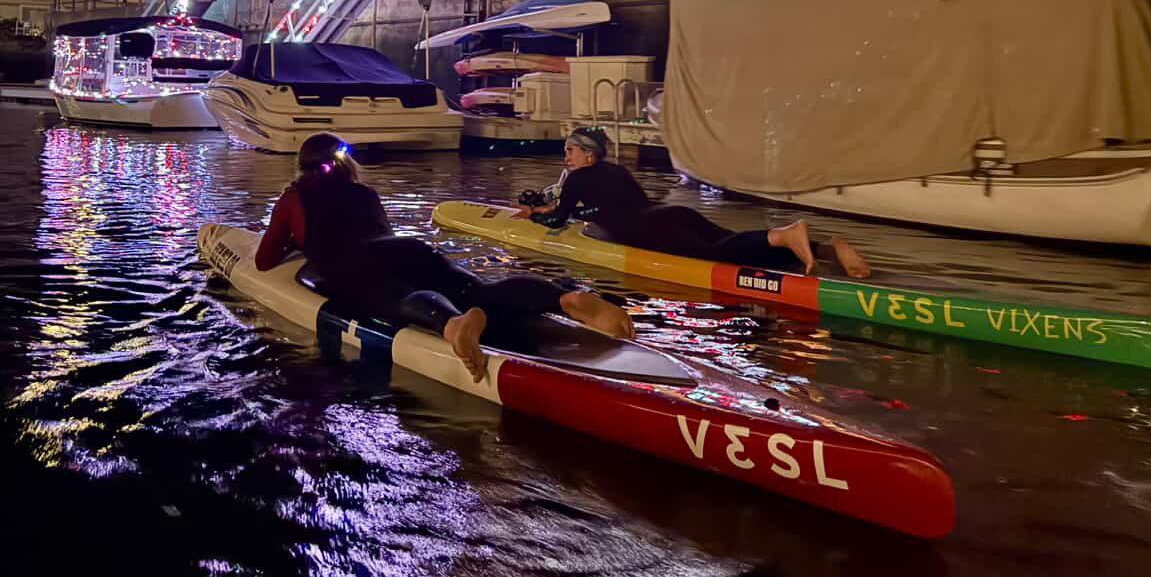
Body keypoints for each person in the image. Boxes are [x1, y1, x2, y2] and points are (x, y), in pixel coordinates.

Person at [256, 133, 634, 382]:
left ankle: (453, 325)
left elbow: (264, 258)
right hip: (408, 249)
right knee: (478, 288)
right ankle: (564, 298)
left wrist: (296, 242)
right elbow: (375, 233)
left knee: (399, 299)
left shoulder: (294, 198)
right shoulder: (365, 194)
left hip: (354, 267)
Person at [514, 128, 870, 279]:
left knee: (718, 257)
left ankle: (786, 235)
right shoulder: (616, 171)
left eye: (570, 151)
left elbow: (559, 222)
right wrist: (576, 211)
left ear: (588, 155)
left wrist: (534, 216)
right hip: (670, 215)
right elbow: (609, 207)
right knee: (733, 244)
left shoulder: (577, 179)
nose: (566, 158)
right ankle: (825, 249)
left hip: (652, 230)